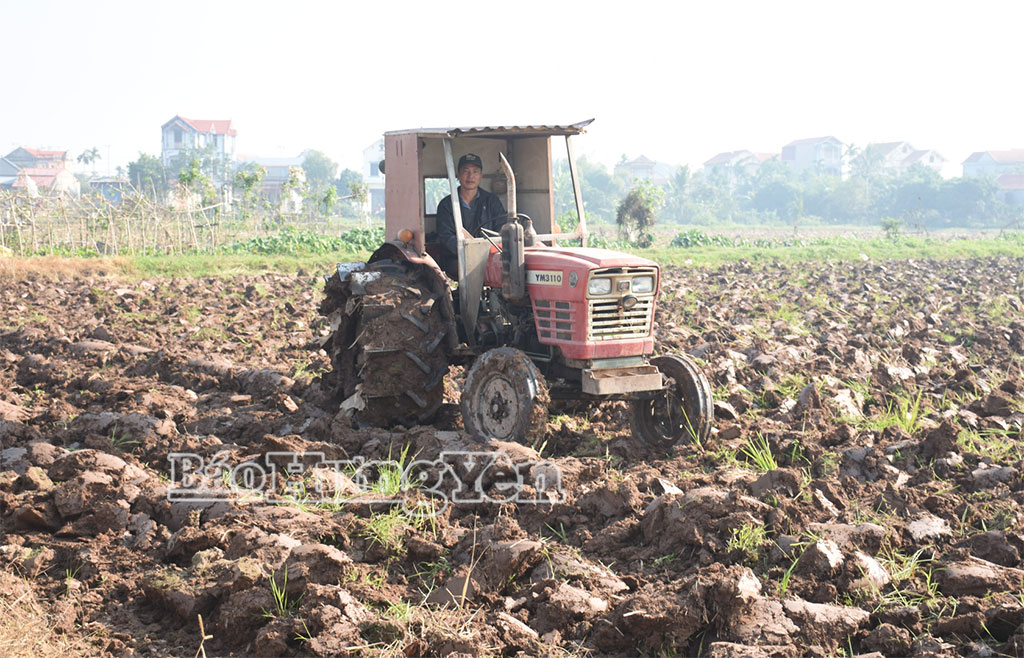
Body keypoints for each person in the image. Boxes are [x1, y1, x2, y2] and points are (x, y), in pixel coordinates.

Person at [436, 153, 506, 277]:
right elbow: (446, 236)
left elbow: (501, 229)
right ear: (457, 175)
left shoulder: (492, 201)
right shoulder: (446, 205)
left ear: (481, 176)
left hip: (489, 255)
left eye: (475, 172)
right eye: (466, 171)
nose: (470, 176)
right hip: (457, 257)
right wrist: (468, 252)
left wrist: (487, 251)